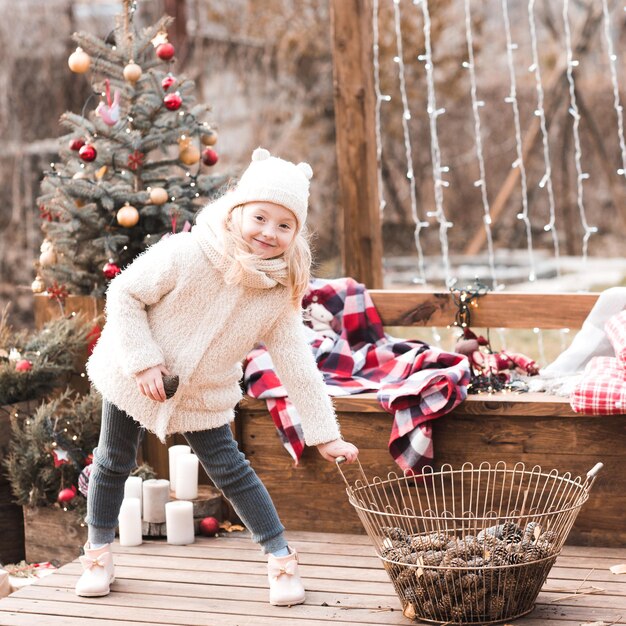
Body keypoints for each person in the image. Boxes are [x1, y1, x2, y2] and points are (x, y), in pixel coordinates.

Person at [77, 148, 359, 605]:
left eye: (284, 225)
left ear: (297, 232)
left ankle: (281, 560)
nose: (269, 232)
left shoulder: (276, 292)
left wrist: (325, 435)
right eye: (260, 218)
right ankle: (98, 554)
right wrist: (144, 359)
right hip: (135, 374)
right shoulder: (187, 252)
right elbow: (124, 294)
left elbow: (297, 366)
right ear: (238, 210)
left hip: (203, 393)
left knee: (232, 470)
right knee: (113, 461)